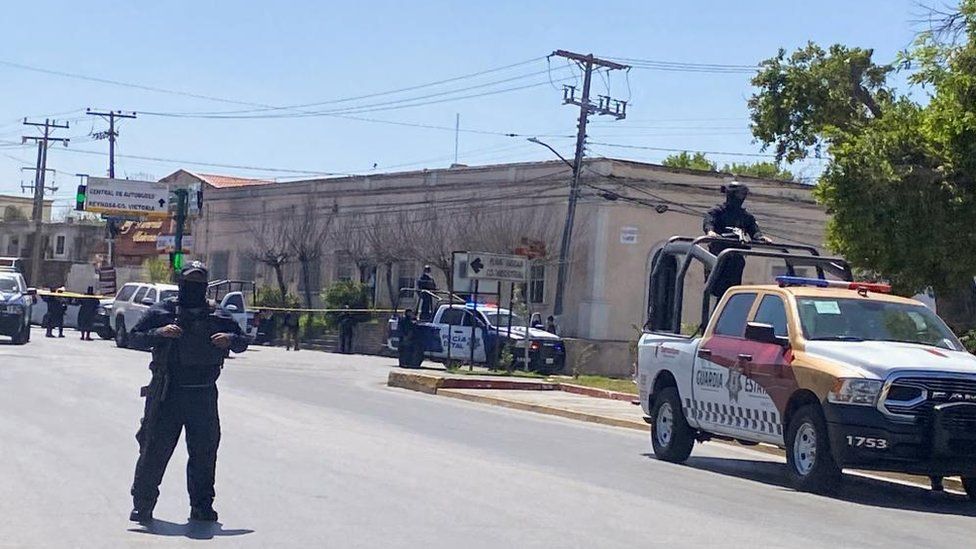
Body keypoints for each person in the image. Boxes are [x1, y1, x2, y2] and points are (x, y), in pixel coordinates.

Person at [128, 262, 248, 524]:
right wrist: (160, 332)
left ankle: (202, 507)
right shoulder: (164, 311)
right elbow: (134, 336)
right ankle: (143, 504)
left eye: (198, 284)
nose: (193, 288)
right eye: (189, 283)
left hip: (203, 395)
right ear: (181, 284)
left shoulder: (218, 315)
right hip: (168, 392)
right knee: (154, 450)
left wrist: (229, 339)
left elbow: (243, 341)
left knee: (204, 454)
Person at [702, 181, 771, 298]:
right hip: (718, 257)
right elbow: (709, 222)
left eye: (744, 195)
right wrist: (711, 232)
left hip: (736, 259)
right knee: (716, 290)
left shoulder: (745, 216)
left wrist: (760, 237)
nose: (742, 198)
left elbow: (754, 230)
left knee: (731, 293)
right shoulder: (717, 211)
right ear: (731, 195)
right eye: (740, 194)